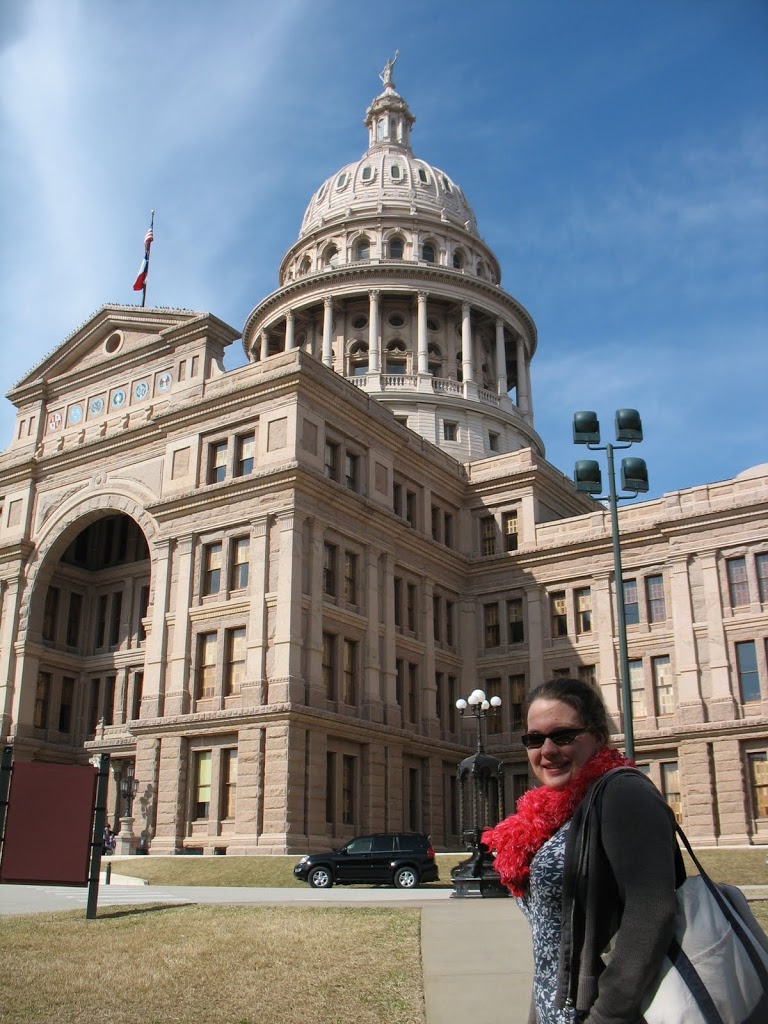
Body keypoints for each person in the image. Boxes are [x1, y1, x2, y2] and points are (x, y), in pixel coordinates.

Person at [482, 678, 683, 1024]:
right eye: (534, 739)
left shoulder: (622, 794)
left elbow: (650, 912)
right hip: (555, 1011)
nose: (546, 750)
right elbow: (552, 944)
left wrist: (607, 1016)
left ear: (599, 738)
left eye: (563, 736)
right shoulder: (549, 815)